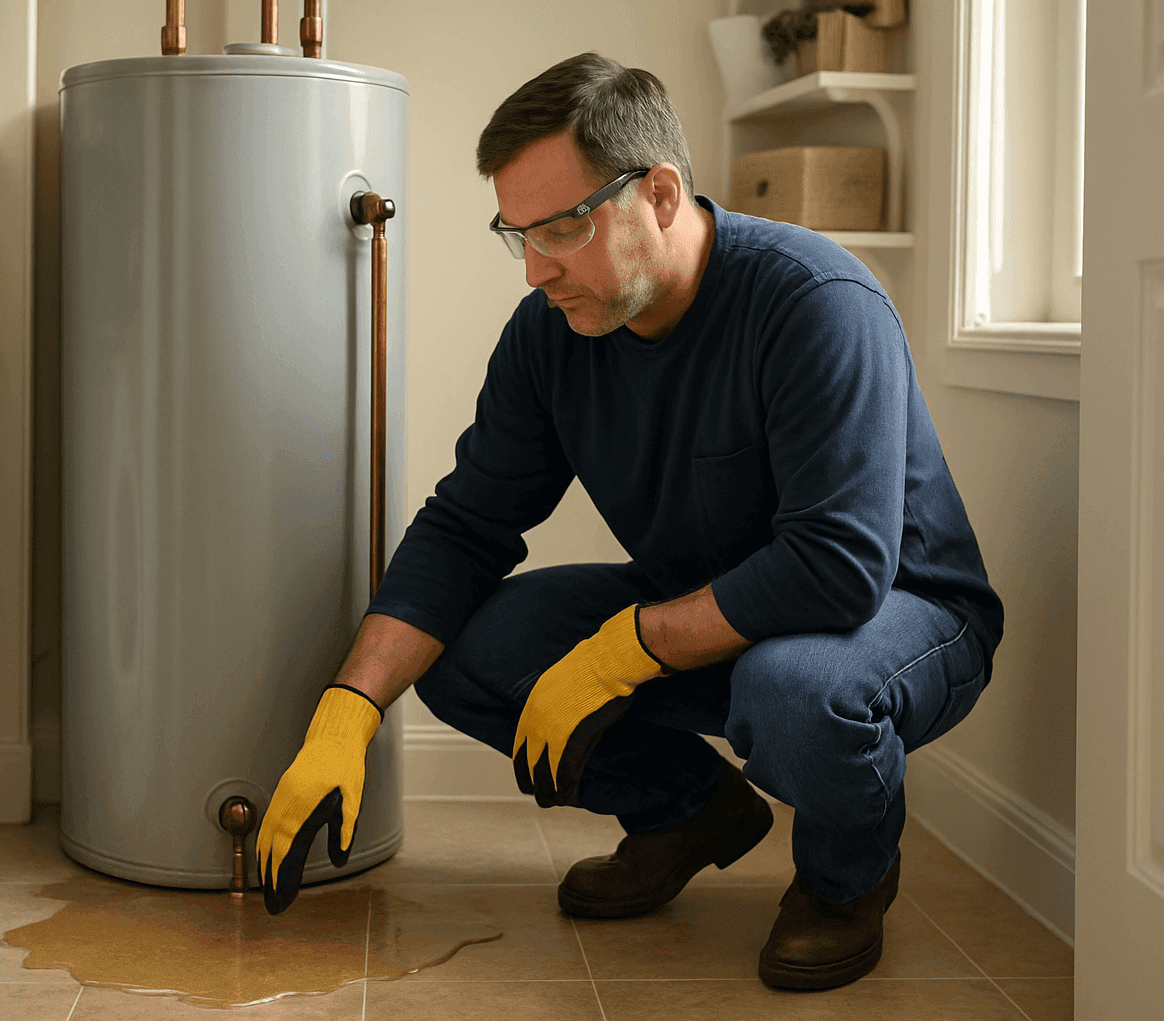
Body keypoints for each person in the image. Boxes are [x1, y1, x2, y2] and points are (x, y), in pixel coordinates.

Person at [255, 51, 1003, 991]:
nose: (535, 272)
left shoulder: (815, 303)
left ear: (659, 192)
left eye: (562, 228)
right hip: (707, 603)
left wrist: (622, 651)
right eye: (514, 233)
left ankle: (844, 882)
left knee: (794, 686)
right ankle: (686, 813)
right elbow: (465, 527)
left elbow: (838, 566)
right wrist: (347, 714)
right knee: (472, 652)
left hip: (898, 610)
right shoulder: (556, 335)